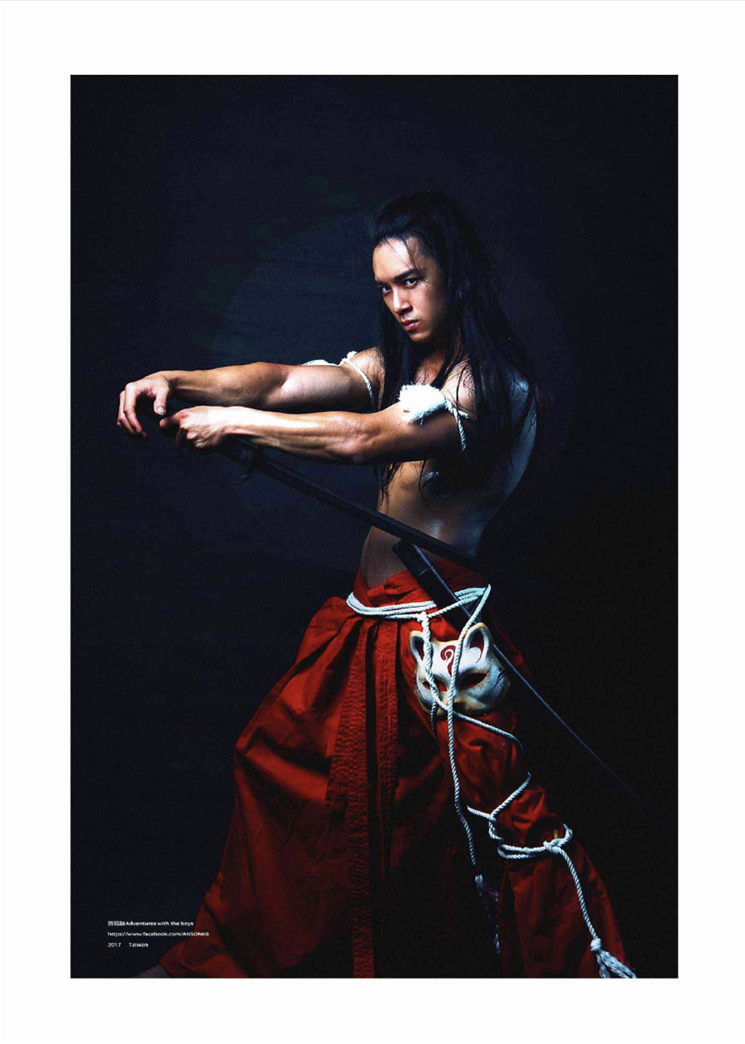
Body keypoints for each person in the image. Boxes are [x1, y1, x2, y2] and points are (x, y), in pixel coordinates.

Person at [118, 190, 632, 978]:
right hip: (366, 621)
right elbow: (279, 383)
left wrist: (234, 427)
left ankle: (581, 983)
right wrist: (180, 382)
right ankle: (288, 955)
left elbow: (364, 438)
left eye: (412, 281)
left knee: (493, 816)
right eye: (385, 287)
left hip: (438, 640)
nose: (398, 303)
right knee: (291, 770)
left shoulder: (490, 387)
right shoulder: (396, 364)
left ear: (456, 275)